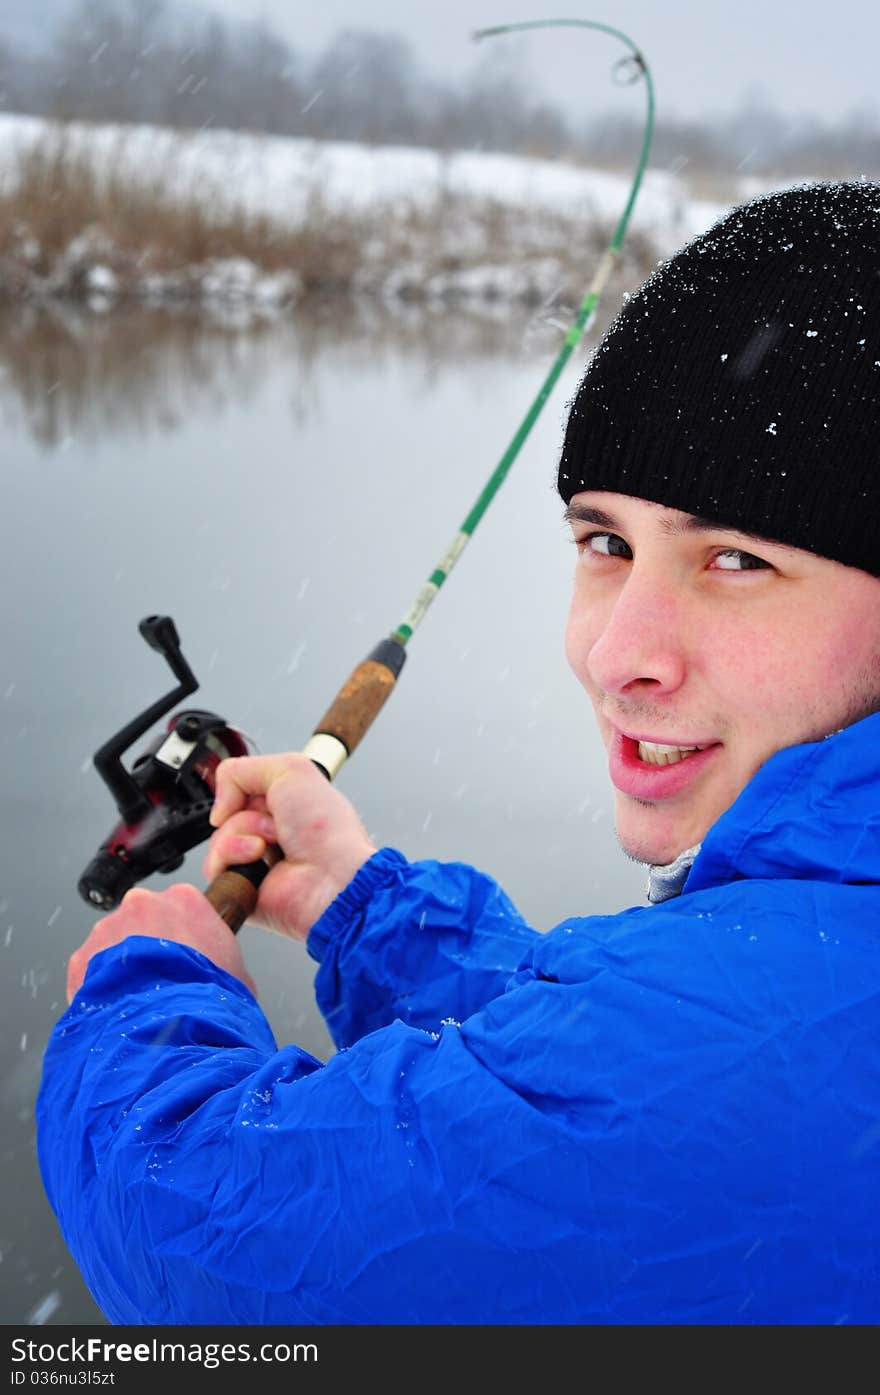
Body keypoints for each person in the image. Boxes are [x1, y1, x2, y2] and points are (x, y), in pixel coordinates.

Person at [37, 180, 880, 1325]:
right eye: (602, 541)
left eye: (736, 559)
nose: (613, 653)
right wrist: (362, 907)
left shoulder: (762, 1054)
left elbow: (212, 1247)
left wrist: (146, 994)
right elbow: (633, 1087)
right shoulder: (815, 963)